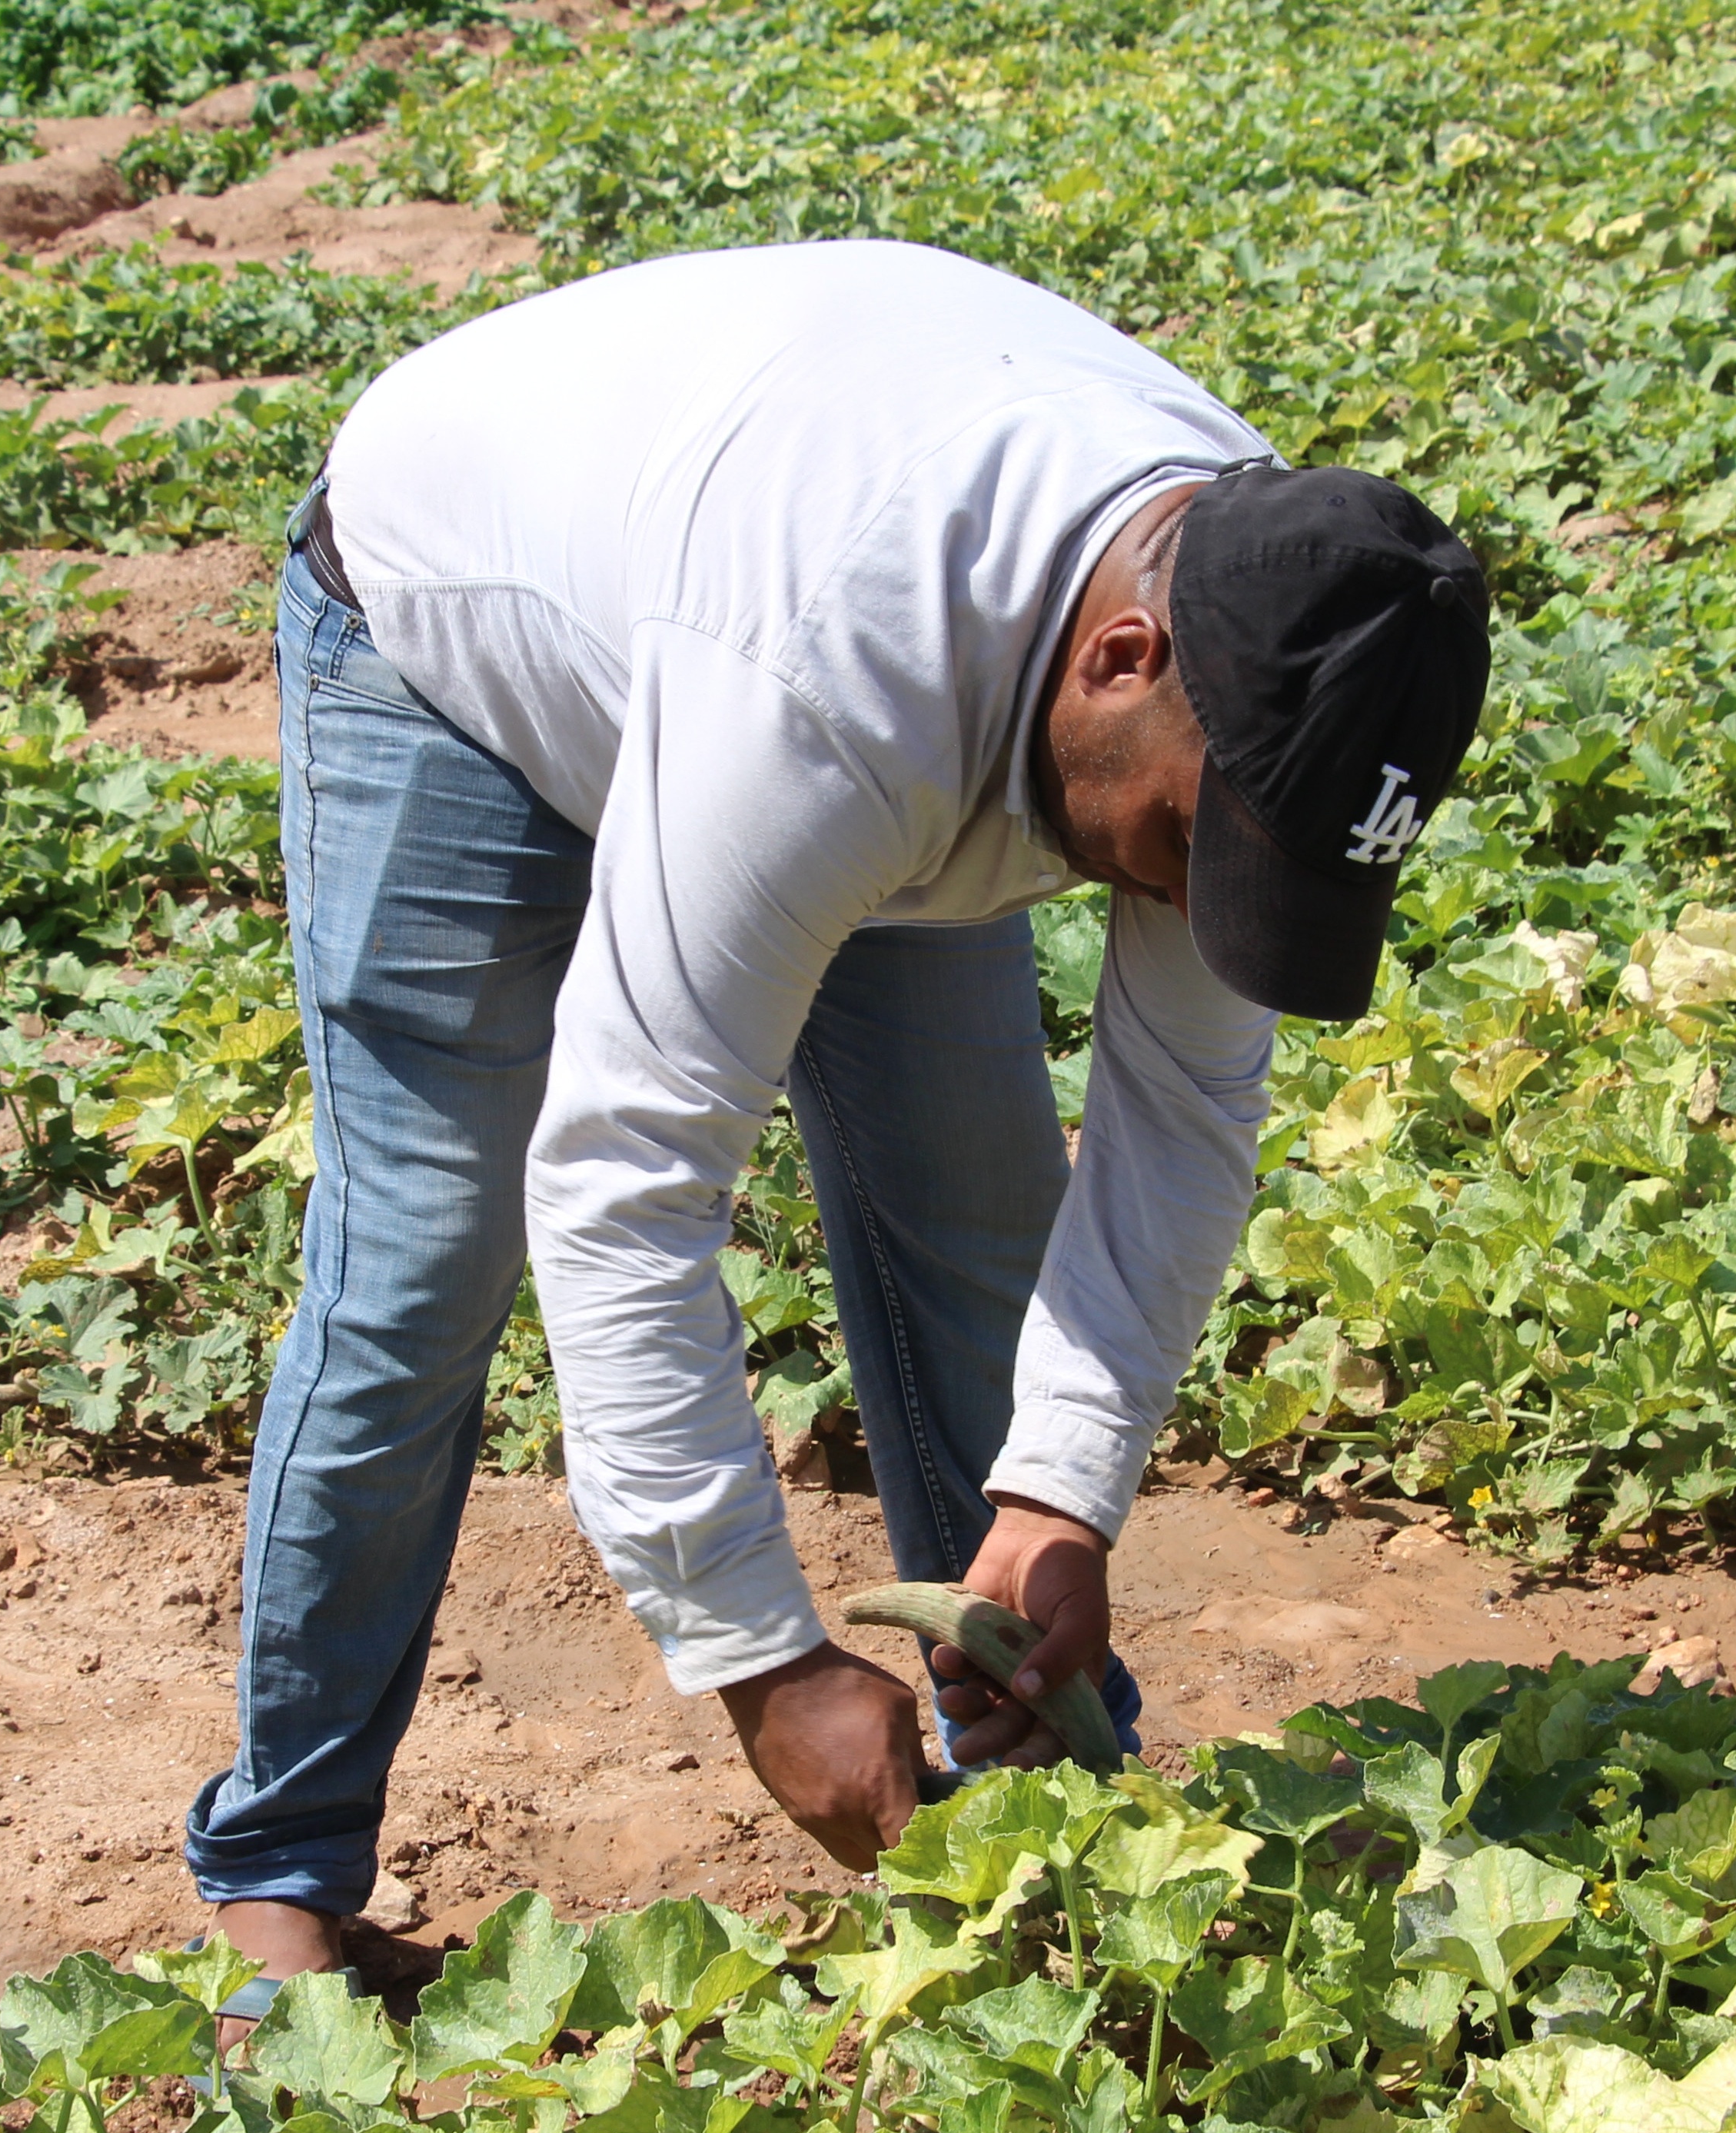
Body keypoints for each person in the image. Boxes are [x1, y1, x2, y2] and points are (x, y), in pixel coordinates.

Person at [185, 238, 1491, 2009]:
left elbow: (1181, 1119)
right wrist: (763, 1667)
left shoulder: (1282, 642)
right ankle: (283, 1867)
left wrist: (1061, 1503)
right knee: (430, 1259)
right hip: (460, 629)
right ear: (1119, 658)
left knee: (973, 1211)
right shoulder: (825, 684)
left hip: (816, 647)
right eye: (1195, 849)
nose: (1201, 903)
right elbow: (626, 1184)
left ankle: (1037, 1796)